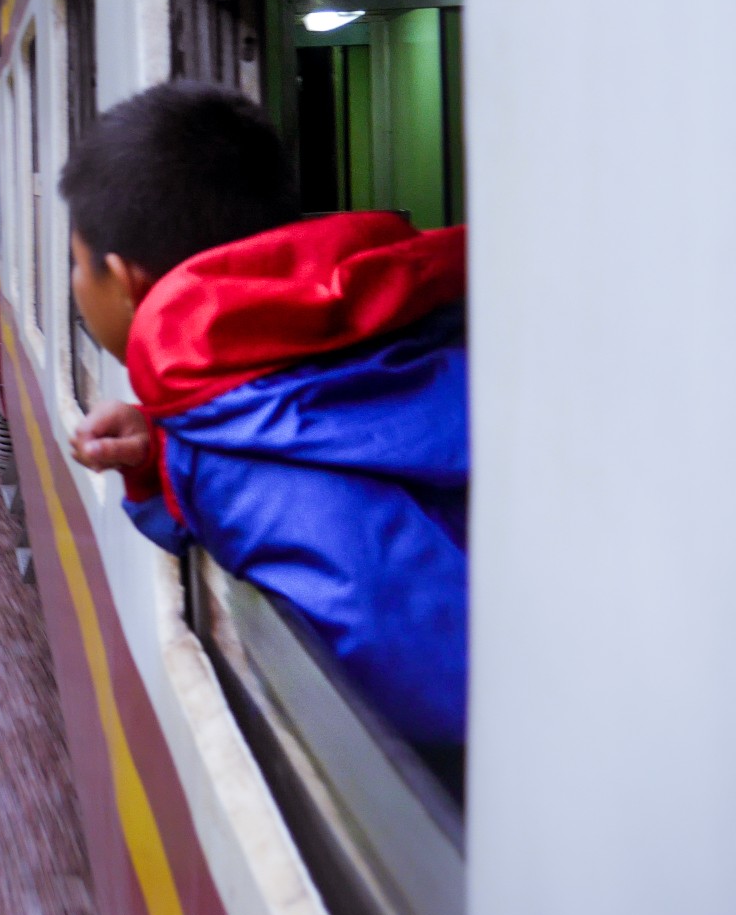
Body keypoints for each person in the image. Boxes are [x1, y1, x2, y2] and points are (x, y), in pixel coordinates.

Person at [62, 82, 468, 749]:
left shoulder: (235, 454)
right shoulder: (395, 326)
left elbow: (451, 699)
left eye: (77, 266)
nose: (76, 286)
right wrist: (164, 451)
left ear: (124, 279)